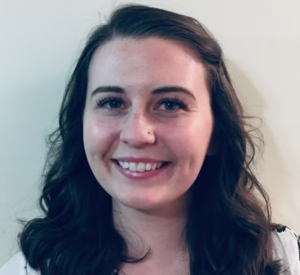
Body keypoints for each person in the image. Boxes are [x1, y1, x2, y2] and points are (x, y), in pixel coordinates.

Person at [0, 4, 299, 275]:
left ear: (216, 133)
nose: (136, 134)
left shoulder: (286, 257)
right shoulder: (32, 269)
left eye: (170, 104)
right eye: (112, 103)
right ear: (81, 125)